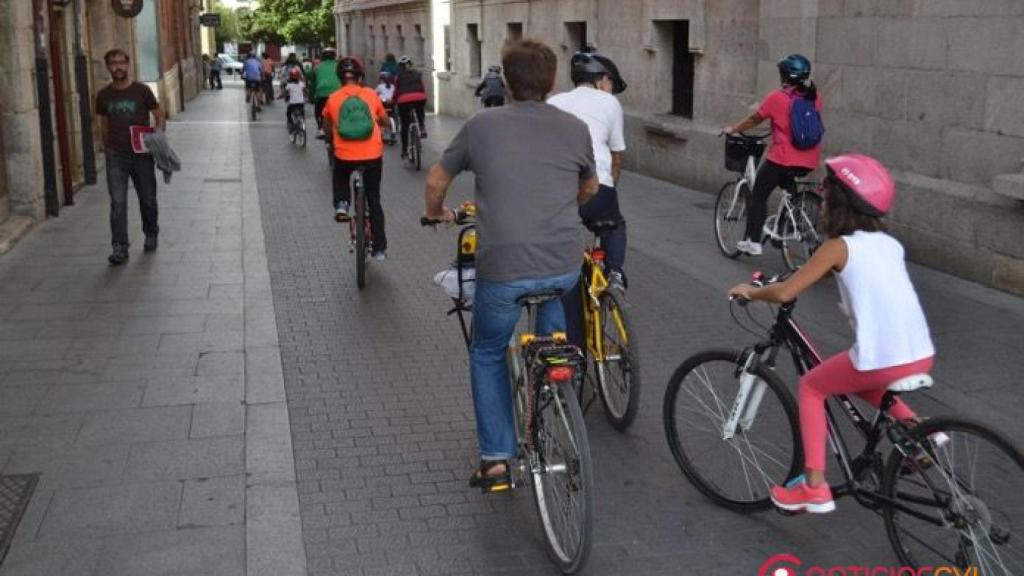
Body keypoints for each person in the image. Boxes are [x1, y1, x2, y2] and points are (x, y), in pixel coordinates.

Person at [423, 39, 599, 489]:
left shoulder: (483, 124)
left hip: (502, 267)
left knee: (486, 352)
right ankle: (554, 373)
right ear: (552, 80)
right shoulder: (575, 127)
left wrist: (436, 213)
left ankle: (497, 460)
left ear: (504, 77)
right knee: (551, 318)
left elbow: (437, 178)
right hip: (563, 262)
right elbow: (591, 188)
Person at [728, 154, 936, 514]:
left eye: (825, 192)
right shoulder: (889, 244)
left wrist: (753, 291)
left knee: (811, 386)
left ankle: (814, 486)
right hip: (919, 353)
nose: (821, 197)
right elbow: (842, 272)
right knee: (864, 382)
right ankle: (924, 433)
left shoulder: (837, 247)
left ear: (838, 203)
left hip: (881, 356)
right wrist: (799, 276)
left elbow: (784, 294)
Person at [548, 49, 629, 351]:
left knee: (567, 271)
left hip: (560, 195)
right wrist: (609, 189)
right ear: (601, 79)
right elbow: (617, 156)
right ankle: (616, 276)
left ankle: (575, 350)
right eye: (611, 82)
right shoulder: (610, 102)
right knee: (613, 226)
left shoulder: (553, 103)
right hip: (598, 190)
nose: (611, 89)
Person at [724, 53, 823, 256]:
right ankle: (781, 229)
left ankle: (752, 241)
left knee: (758, 195)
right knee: (789, 191)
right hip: (809, 159)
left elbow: (755, 119)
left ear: (784, 75)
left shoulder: (777, 97)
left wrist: (734, 128)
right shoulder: (815, 97)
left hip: (783, 157)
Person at [95, 48, 165, 266]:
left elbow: (158, 114)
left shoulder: (142, 91)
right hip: (116, 155)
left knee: (148, 199)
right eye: (113, 63)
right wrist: (106, 146)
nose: (118, 66)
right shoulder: (104, 95)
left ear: (128, 64)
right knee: (117, 202)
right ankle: (119, 247)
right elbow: (103, 122)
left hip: (141, 154)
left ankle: (151, 233)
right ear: (108, 67)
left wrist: (158, 137)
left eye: (121, 62)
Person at [321, 56, 390, 260]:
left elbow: (326, 124)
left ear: (340, 79)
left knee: (340, 174)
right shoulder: (370, 95)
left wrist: (329, 136)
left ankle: (342, 203)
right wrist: (383, 122)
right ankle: (379, 249)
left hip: (345, 155)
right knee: (374, 199)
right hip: (372, 155)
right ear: (360, 77)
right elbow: (384, 120)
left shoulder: (333, 98)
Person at [394, 55, 428, 158]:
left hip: (404, 100)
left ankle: (404, 150)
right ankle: (422, 127)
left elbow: (396, 91)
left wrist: (394, 100)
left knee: (405, 124)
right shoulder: (418, 74)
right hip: (420, 97)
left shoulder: (398, 77)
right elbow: (422, 87)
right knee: (420, 111)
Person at [308, 48, 341, 136]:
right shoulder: (339, 66)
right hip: (338, 93)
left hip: (322, 93)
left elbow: (311, 77)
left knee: (318, 111)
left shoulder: (317, 67)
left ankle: (321, 128)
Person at [281, 67, 306, 134]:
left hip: (292, 104)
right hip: (301, 103)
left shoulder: (289, 85)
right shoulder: (301, 84)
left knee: (288, 114)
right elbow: (305, 91)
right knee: (302, 114)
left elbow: (285, 93)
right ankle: (302, 122)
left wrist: (284, 97)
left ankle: (292, 126)